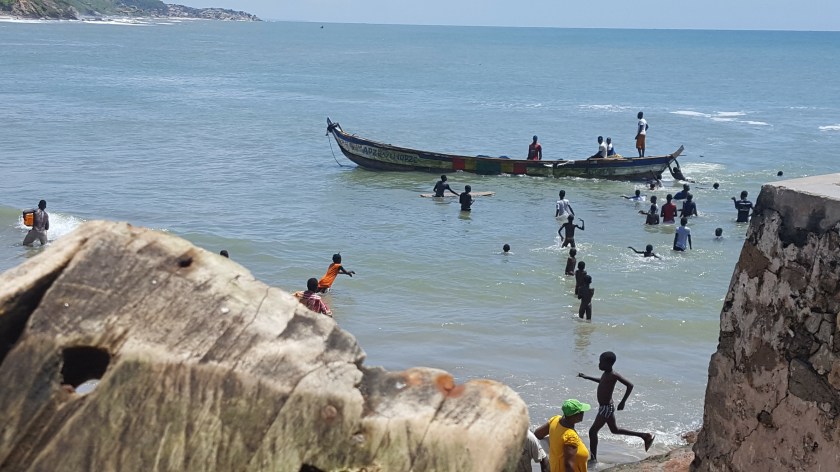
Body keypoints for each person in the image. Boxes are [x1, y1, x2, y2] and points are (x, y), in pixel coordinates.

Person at [578, 352, 655, 463]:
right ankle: (644, 436)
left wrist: (622, 402)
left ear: (608, 363)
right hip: (605, 407)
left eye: (601, 362)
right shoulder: (606, 373)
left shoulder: (613, 374)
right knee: (615, 430)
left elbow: (630, 385)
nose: (599, 364)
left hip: (606, 408)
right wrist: (587, 377)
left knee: (592, 431)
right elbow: (602, 381)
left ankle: (593, 459)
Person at [534, 399, 592, 472]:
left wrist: (556, 444)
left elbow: (538, 434)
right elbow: (568, 465)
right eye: (581, 412)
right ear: (575, 415)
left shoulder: (555, 420)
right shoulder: (570, 436)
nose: (583, 413)